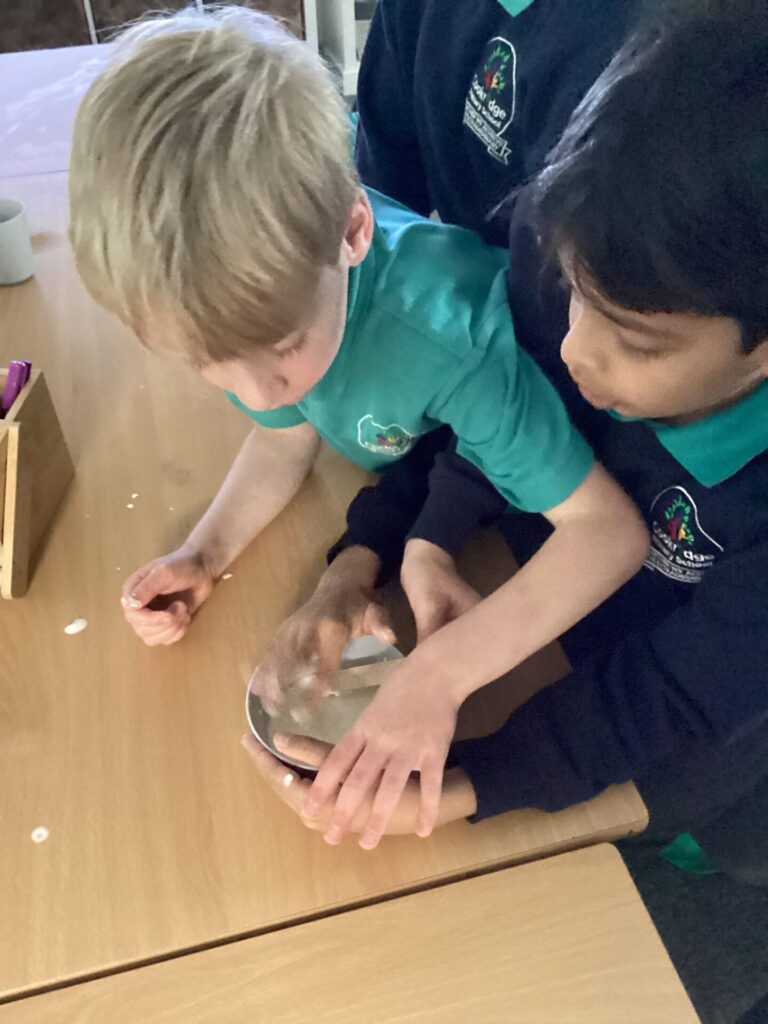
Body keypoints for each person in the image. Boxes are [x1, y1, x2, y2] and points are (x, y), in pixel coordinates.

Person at [67, 8, 647, 849]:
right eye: (210, 364)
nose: (258, 389)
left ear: (353, 229)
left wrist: (443, 675)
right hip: (420, 492)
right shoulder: (273, 297)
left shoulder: (446, 338)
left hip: (534, 476)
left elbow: (606, 535)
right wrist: (205, 552)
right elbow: (283, 436)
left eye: (279, 350)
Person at [247, 0, 768, 881]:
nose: (577, 349)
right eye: (571, 294)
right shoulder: (594, 242)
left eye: (638, 343)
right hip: (528, 612)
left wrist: (465, 783)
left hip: (664, 726)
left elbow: (674, 700)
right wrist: (386, 547)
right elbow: (497, 393)